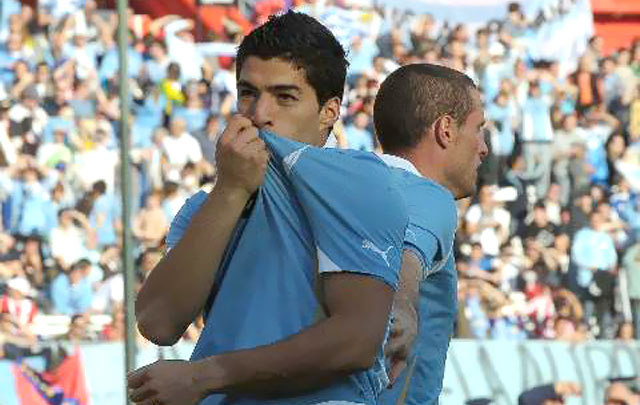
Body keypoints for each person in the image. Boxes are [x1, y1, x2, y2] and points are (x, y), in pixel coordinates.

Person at [130, 11, 409, 405]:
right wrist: (230, 190)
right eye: (248, 93)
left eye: (285, 97)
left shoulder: (361, 179)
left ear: (329, 111)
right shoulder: (205, 207)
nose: (260, 114)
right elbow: (158, 323)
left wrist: (205, 376)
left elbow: (355, 340)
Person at [375, 63, 488, 405]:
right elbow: (409, 254)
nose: (483, 147)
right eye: (478, 129)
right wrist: (402, 308)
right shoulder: (431, 196)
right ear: (446, 130)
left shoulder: (360, 188)